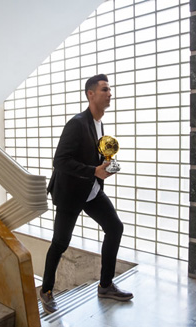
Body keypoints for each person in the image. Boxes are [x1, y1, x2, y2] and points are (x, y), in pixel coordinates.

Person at [39, 74, 133, 314]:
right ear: (90, 94)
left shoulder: (99, 124)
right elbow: (60, 161)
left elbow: (94, 158)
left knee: (115, 228)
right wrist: (94, 170)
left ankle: (105, 285)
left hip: (91, 191)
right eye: (104, 89)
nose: (109, 93)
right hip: (70, 193)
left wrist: (106, 167)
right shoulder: (77, 123)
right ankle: (46, 290)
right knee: (61, 242)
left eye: (110, 89)